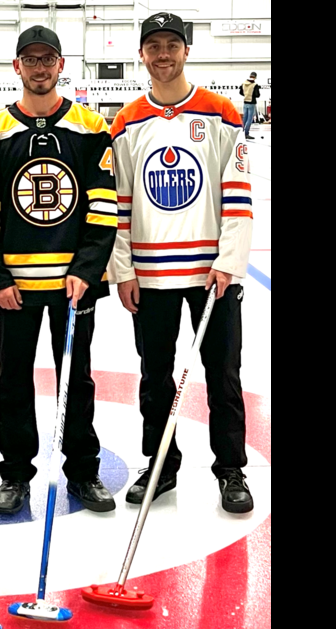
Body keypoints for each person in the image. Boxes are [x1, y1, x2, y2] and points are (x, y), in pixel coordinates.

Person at [109, 13, 254, 513]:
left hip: (210, 275)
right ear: (143, 55)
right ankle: (161, 463)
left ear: (187, 50)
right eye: (154, 46)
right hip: (150, 277)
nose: (164, 54)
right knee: (155, 376)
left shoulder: (221, 114)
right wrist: (122, 270)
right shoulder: (127, 121)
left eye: (173, 44)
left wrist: (229, 263)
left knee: (223, 373)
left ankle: (231, 469)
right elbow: (119, 204)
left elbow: (237, 195)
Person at [0, 26, 118, 515]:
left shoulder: (91, 126)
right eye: (30, 60)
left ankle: (83, 471)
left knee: (76, 379)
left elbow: (102, 206)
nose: (39, 68)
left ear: (60, 64)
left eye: (47, 59)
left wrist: (89, 269)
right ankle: (15, 473)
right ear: (17, 66)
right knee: (13, 380)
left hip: (74, 285)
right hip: (16, 288)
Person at [239, 72, 261, 140]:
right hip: (251, 103)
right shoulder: (255, 85)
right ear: (255, 77)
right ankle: (246, 133)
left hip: (245, 102)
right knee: (250, 119)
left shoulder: (243, 83)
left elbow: (241, 92)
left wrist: (246, 95)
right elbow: (257, 95)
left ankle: (240, 133)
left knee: (244, 118)